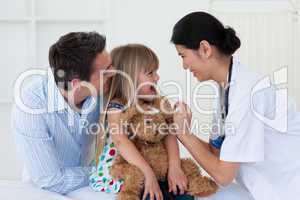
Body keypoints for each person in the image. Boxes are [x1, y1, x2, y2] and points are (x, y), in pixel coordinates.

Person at [170, 11, 300, 200]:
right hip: (265, 188)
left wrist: (184, 134)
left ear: (205, 49)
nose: (184, 65)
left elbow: (223, 175)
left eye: (183, 56)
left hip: (289, 188)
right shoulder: (225, 90)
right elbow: (217, 153)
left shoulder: (247, 93)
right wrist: (183, 130)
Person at [11, 32, 117, 199]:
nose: (114, 73)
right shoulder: (31, 105)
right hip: (45, 191)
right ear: (78, 84)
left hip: (92, 183)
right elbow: (50, 180)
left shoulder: (104, 90)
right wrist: (105, 171)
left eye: (112, 65)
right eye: (106, 72)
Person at [90, 44, 194, 200]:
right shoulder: (117, 106)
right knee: (146, 193)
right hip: (129, 169)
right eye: (150, 73)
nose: (157, 77)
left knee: (182, 191)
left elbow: (169, 133)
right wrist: (148, 174)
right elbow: (120, 141)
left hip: (156, 167)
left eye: (156, 72)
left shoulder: (157, 103)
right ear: (129, 78)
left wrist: (174, 166)